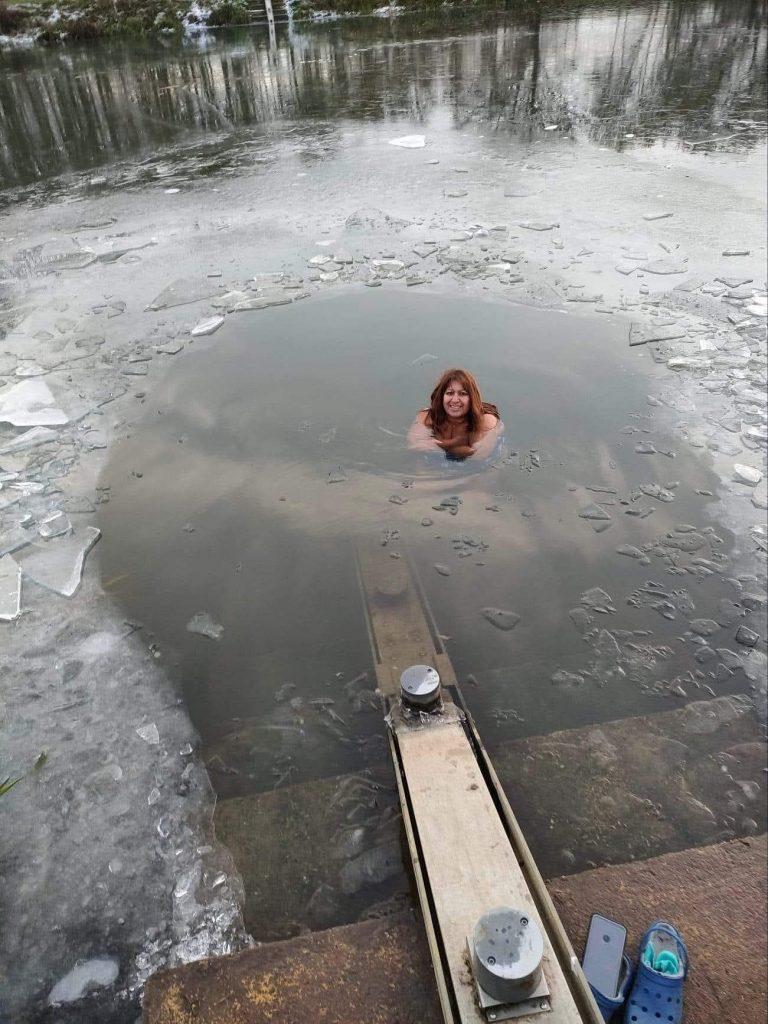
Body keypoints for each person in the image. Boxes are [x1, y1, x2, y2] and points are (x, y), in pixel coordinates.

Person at [407, 368, 502, 461]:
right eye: (450, 393)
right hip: (442, 457)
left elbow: (479, 455)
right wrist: (458, 445)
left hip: (485, 461)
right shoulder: (427, 417)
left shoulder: (486, 419)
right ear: (441, 397)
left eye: (462, 394)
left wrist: (440, 445)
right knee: (420, 463)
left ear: (472, 398)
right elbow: (414, 446)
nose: (455, 400)